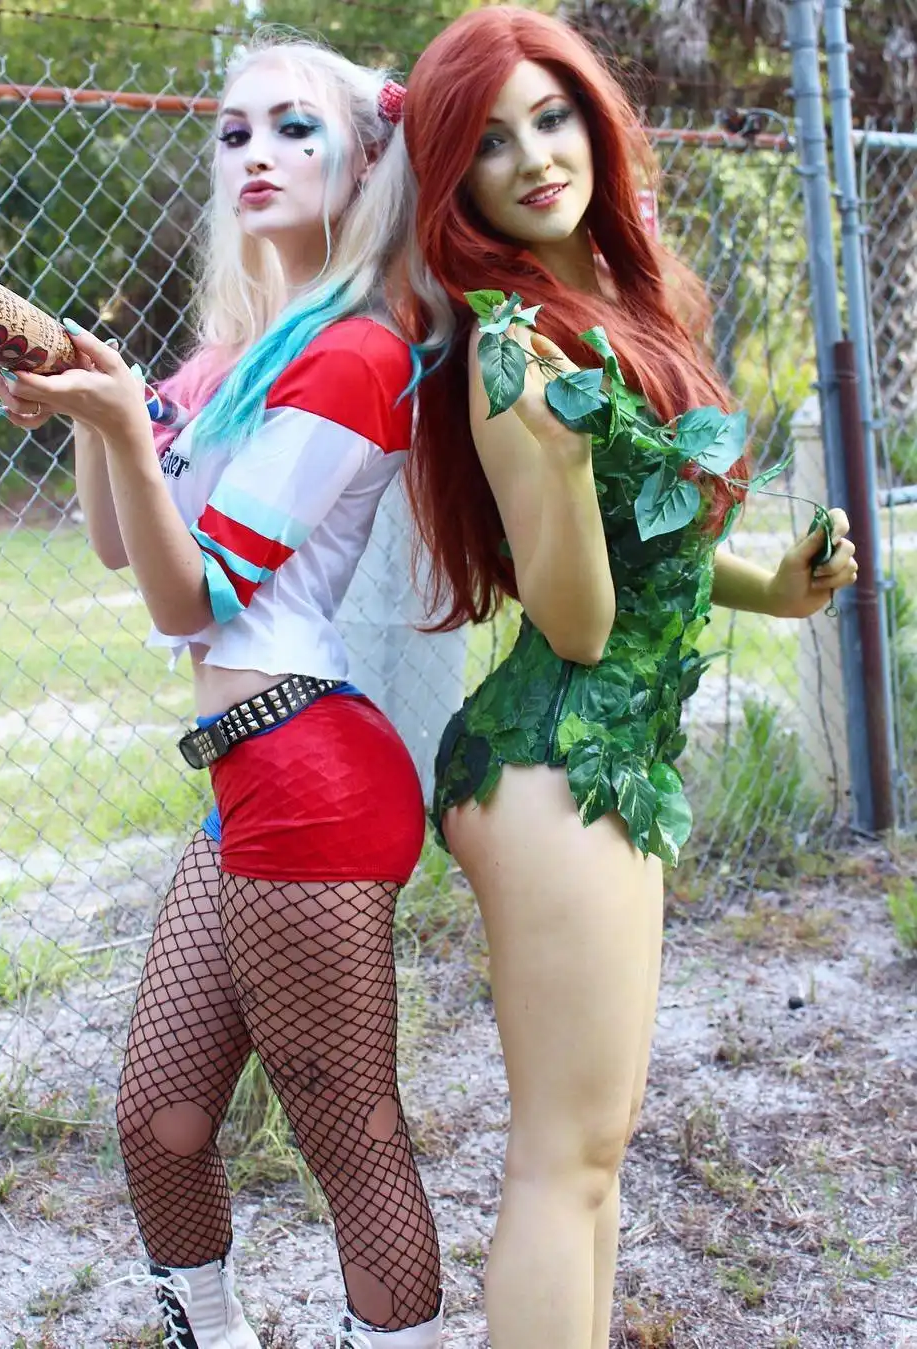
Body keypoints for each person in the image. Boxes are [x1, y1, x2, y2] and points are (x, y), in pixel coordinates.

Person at [398, 9, 859, 1348]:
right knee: (564, 1158)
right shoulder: (513, 354)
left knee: (595, 1154)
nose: (535, 157)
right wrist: (551, 462)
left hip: (607, 761)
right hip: (553, 759)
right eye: (491, 142)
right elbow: (583, 627)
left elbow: (658, 557)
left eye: (551, 118)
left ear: (594, 125)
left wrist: (775, 587)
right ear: (455, 180)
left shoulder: (607, 307)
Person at [0, 35, 443, 1349]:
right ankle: (214, 1330)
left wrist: (127, 422)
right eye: (234, 132)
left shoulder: (357, 353)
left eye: (295, 129)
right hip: (248, 774)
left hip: (311, 768)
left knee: (349, 1136)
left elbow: (199, 601)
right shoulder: (238, 359)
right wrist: (99, 415)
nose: (256, 155)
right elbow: (120, 548)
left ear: (367, 160)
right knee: (160, 1118)